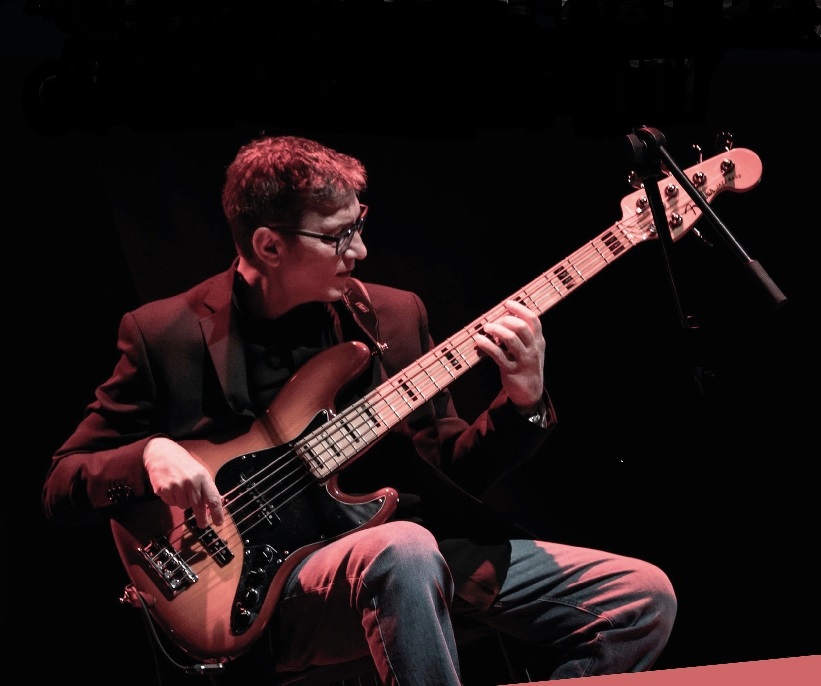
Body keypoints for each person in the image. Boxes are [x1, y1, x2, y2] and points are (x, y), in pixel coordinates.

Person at [42, 134, 676, 685]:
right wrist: (149, 455)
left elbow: (452, 468)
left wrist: (523, 401)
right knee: (403, 548)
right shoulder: (165, 334)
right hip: (272, 594)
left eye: (359, 224)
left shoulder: (393, 316)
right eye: (337, 236)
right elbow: (62, 482)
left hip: (422, 558)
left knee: (640, 598)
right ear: (268, 245)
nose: (361, 250)